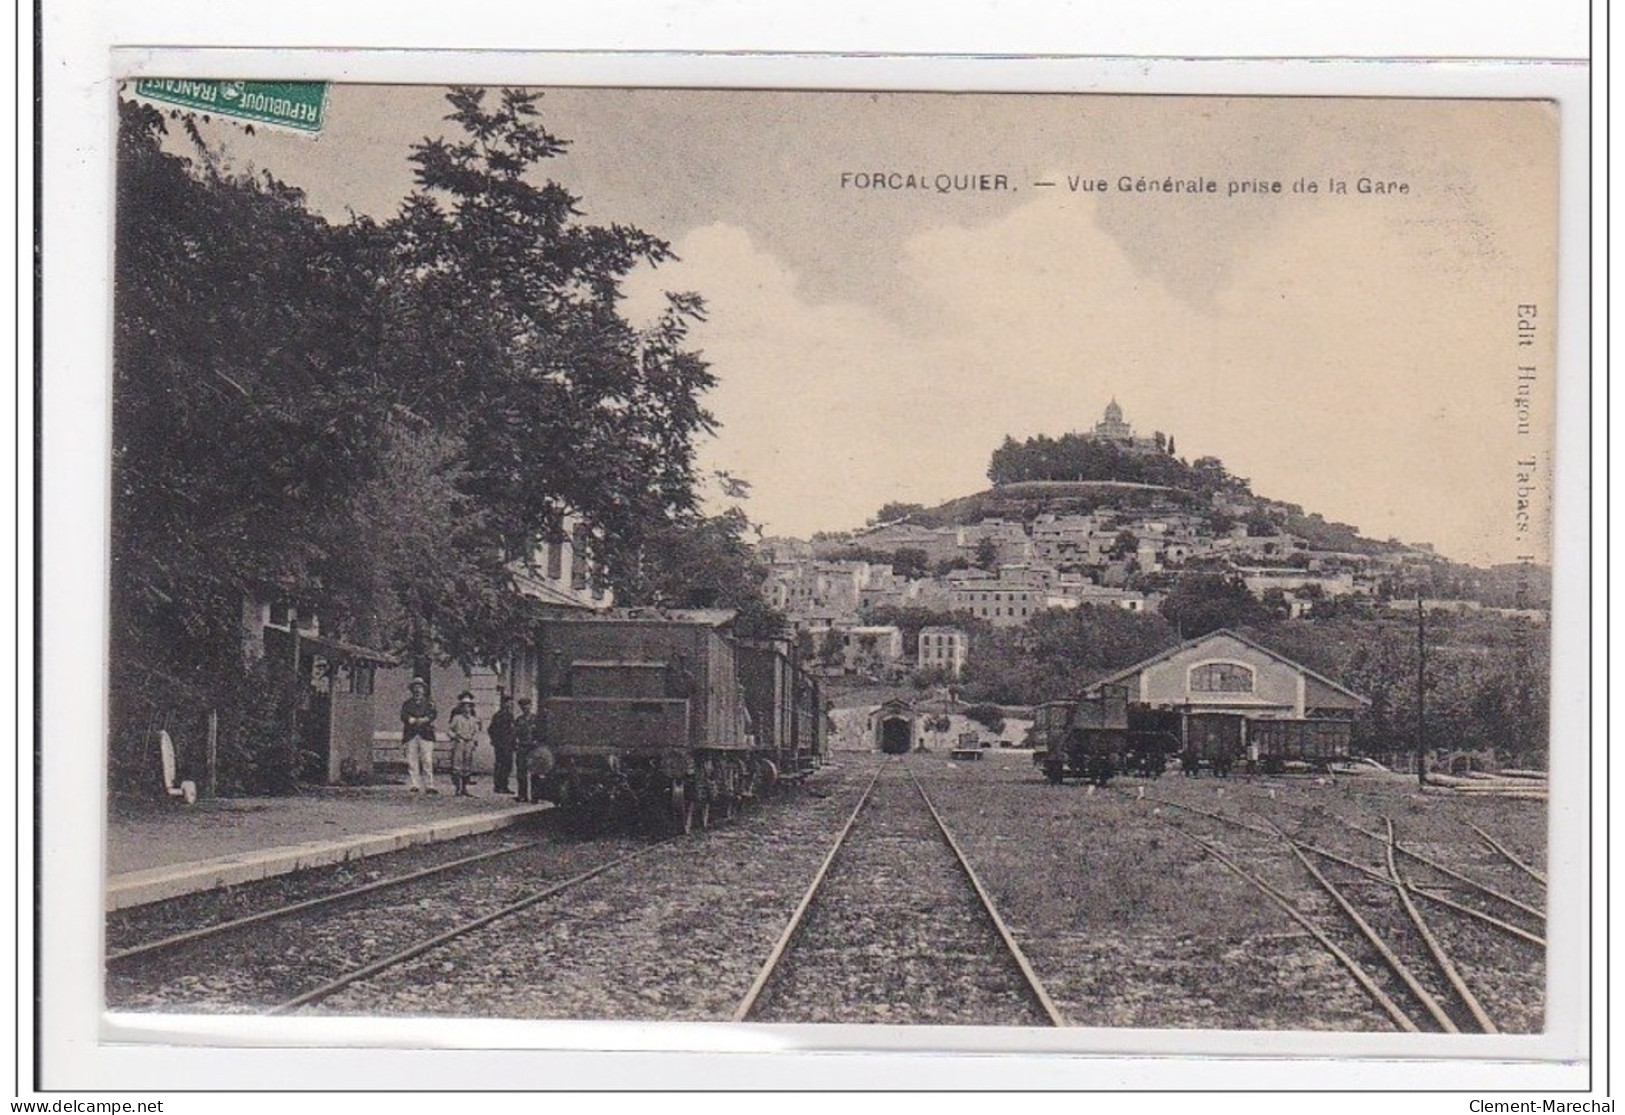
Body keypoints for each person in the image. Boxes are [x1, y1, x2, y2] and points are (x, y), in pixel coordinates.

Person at [400, 678, 439, 795]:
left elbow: (433, 714)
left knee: (427, 760)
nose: (417, 690)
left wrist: (425, 719)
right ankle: (414, 784)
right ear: (412, 690)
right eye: (415, 688)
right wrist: (410, 719)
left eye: (420, 687)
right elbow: (403, 715)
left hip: (425, 734)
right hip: (411, 734)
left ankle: (429, 785)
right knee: (412, 760)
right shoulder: (407, 704)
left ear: (424, 690)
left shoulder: (429, 703)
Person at [447, 691, 482, 796]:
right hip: (459, 742)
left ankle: (465, 788)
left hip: (469, 742)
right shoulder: (457, 718)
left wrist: (474, 740)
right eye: (465, 706)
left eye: (469, 707)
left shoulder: (473, 719)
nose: (467, 709)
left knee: (467, 765)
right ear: (461, 708)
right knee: (457, 765)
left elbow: (476, 731)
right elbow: (449, 730)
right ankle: (458, 788)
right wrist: (455, 737)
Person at [488, 693, 516, 794]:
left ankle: (503, 785)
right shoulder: (499, 715)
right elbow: (491, 729)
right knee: (501, 765)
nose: (510, 704)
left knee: (507, 765)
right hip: (502, 745)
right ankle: (499, 786)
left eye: (511, 702)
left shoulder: (510, 715)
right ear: (503, 703)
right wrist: (496, 742)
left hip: (509, 745)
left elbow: (513, 731)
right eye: (508, 702)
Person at [512, 697, 536, 803]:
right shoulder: (519, 719)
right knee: (521, 772)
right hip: (522, 747)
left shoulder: (536, 719)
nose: (525, 707)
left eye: (527, 705)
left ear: (531, 706)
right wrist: (515, 744)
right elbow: (515, 734)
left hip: (533, 748)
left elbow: (541, 733)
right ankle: (522, 795)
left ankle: (535, 795)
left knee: (535, 772)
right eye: (522, 705)